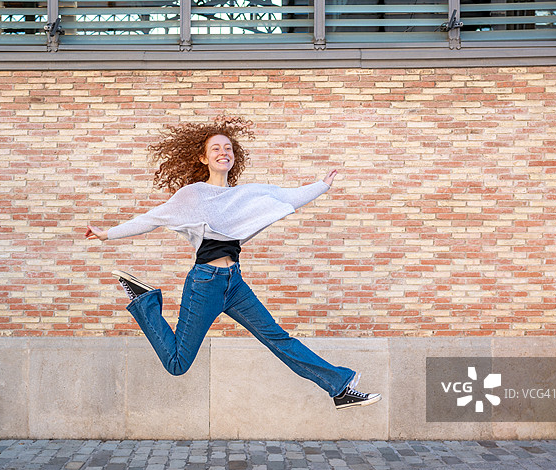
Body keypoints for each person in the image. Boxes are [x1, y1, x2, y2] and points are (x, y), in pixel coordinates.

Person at [86, 116, 380, 410]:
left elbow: (286, 198)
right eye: (215, 149)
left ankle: (339, 388)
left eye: (228, 147)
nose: (223, 152)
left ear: (234, 156)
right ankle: (144, 300)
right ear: (203, 157)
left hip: (234, 284)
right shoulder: (193, 195)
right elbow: (151, 219)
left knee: (277, 338)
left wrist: (321, 186)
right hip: (205, 284)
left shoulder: (245, 195)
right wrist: (107, 234)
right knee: (177, 364)